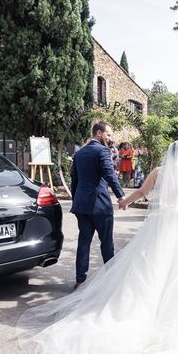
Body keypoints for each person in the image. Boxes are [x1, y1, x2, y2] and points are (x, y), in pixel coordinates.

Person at [17, 141, 178, 354]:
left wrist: (124, 201)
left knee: (148, 267)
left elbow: (141, 192)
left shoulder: (158, 172)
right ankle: (176, 312)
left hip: (159, 225)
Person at [69, 121, 125, 290]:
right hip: (100, 204)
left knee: (84, 241)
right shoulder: (102, 151)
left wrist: (76, 200)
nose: (110, 138)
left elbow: (74, 180)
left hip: (82, 205)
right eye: (108, 135)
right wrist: (120, 195)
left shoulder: (80, 153)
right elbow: (109, 174)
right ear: (99, 133)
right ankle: (112, 278)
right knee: (106, 241)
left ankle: (80, 280)